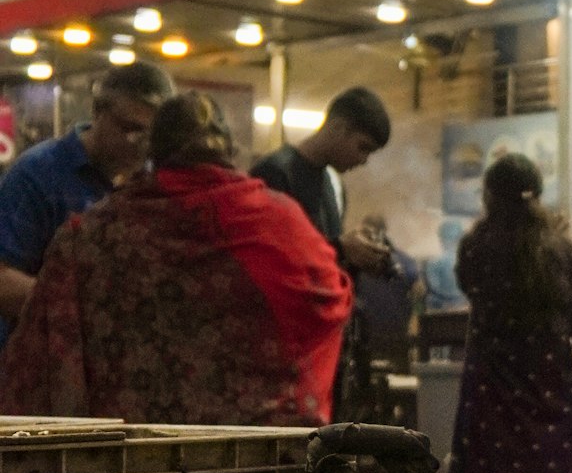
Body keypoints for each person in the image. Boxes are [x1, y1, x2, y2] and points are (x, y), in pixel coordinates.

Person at [0, 92, 351, 422]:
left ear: (153, 151)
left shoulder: (94, 233)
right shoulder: (279, 223)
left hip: (127, 452)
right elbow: (326, 299)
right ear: (230, 151)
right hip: (250, 450)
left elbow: (46, 339)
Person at [449, 153, 572, 473]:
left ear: (488, 196)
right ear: (538, 194)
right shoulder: (560, 252)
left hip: (488, 408)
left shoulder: (475, 249)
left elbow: (469, 285)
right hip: (550, 405)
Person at [0, 60, 172, 349]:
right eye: (129, 128)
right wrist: (90, 309)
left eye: (151, 135)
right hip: (41, 356)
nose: (139, 144)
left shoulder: (155, 180)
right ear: (97, 112)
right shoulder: (38, 174)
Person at [252, 86, 393, 272]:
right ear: (337, 127)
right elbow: (268, 254)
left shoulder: (334, 185)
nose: (363, 160)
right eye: (363, 147)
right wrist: (341, 248)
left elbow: (326, 263)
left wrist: (357, 255)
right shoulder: (274, 173)